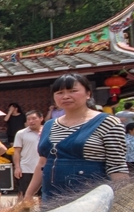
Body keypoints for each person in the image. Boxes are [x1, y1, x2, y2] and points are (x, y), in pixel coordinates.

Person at [25, 73, 128, 201]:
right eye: (59, 93)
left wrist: (124, 199)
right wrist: (28, 195)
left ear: (88, 94)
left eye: (73, 91)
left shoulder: (108, 122)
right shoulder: (49, 125)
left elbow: (117, 165)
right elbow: (43, 163)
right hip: (51, 198)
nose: (66, 96)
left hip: (91, 198)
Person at [12, 110, 43, 197]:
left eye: (34, 118)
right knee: (24, 194)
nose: (31, 121)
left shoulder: (47, 132)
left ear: (41, 118)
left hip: (43, 168)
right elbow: (17, 151)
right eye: (28, 119)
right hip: (26, 168)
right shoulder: (21, 133)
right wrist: (17, 167)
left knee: (43, 195)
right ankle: (25, 210)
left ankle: (43, 211)